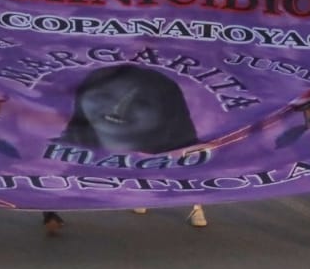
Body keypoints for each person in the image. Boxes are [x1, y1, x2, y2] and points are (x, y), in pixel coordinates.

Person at [58, 65, 207, 229]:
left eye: (141, 102)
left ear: (167, 112)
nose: (118, 109)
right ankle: (143, 197)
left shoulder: (175, 137)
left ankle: (196, 207)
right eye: (105, 95)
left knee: (186, 164)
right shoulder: (56, 151)